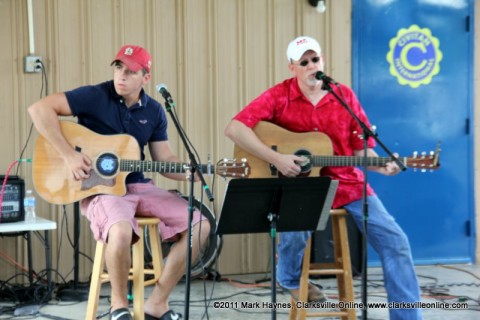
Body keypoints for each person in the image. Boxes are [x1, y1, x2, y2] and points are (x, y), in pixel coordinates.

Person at [224, 36, 423, 320]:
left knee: (396, 241)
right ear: (292, 67)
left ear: (323, 60)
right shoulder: (279, 95)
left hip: (348, 184)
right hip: (303, 185)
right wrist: (276, 158)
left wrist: (382, 166)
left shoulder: (344, 97)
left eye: (314, 60)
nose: (310, 66)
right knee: (295, 227)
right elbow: (235, 128)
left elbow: (361, 150)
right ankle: (290, 279)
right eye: (303, 62)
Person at [28, 45, 210, 320]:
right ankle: (118, 305)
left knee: (200, 224)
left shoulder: (156, 111)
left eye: (130, 71)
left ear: (145, 77)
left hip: (139, 185)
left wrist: (189, 172)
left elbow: (164, 158)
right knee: (121, 231)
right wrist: (69, 156)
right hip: (101, 189)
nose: (121, 76)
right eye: (117, 68)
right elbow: (39, 109)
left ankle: (157, 303)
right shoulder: (94, 95)